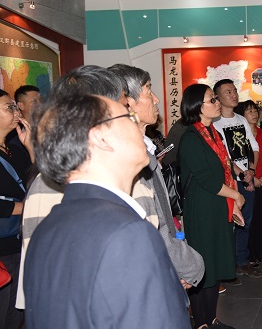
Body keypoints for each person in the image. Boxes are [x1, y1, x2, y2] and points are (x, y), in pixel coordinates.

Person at [25, 94, 190, 328]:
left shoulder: (48, 227)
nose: (139, 126)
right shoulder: (127, 232)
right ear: (100, 138)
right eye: (129, 117)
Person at [15, 65, 163, 310]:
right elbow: (46, 285)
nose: (133, 119)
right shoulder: (49, 187)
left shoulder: (130, 175)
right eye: (125, 112)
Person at [108, 64, 204, 289]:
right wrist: (191, 267)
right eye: (149, 90)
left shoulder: (145, 148)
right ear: (128, 101)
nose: (156, 99)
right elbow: (154, 226)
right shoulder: (130, 158)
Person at [178, 84, 245, 329]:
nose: (217, 102)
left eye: (216, 98)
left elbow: (226, 171)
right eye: (212, 99)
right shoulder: (190, 138)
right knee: (202, 266)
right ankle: (201, 323)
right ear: (197, 106)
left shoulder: (213, 133)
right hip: (202, 209)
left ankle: (211, 319)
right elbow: (206, 179)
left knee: (214, 264)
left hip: (218, 206)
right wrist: (236, 196)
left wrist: (232, 205)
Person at [212, 79, 262, 279]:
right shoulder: (215, 123)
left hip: (247, 178)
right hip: (229, 181)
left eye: (234, 91)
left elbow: (254, 147)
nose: (234, 95)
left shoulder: (241, 119)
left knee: (245, 222)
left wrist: (251, 170)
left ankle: (242, 261)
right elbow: (222, 155)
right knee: (228, 223)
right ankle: (227, 264)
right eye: (228, 92)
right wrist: (242, 174)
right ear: (217, 97)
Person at [0, 89, 32, 329]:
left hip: (18, 241)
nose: (16, 111)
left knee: (16, 314)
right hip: (3, 247)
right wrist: (21, 207)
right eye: (9, 107)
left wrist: (31, 149)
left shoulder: (12, 147)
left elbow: (32, 185)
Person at [235, 100, 262, 267]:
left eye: (255, 110)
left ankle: (258, 252)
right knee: (247, 219)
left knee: (259, 218)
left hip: (261, 179)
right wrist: (253, 176)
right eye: (249, 111)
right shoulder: (239, 133)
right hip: (247, 180)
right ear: (241, 114)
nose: (254, 114)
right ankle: (247, 254)